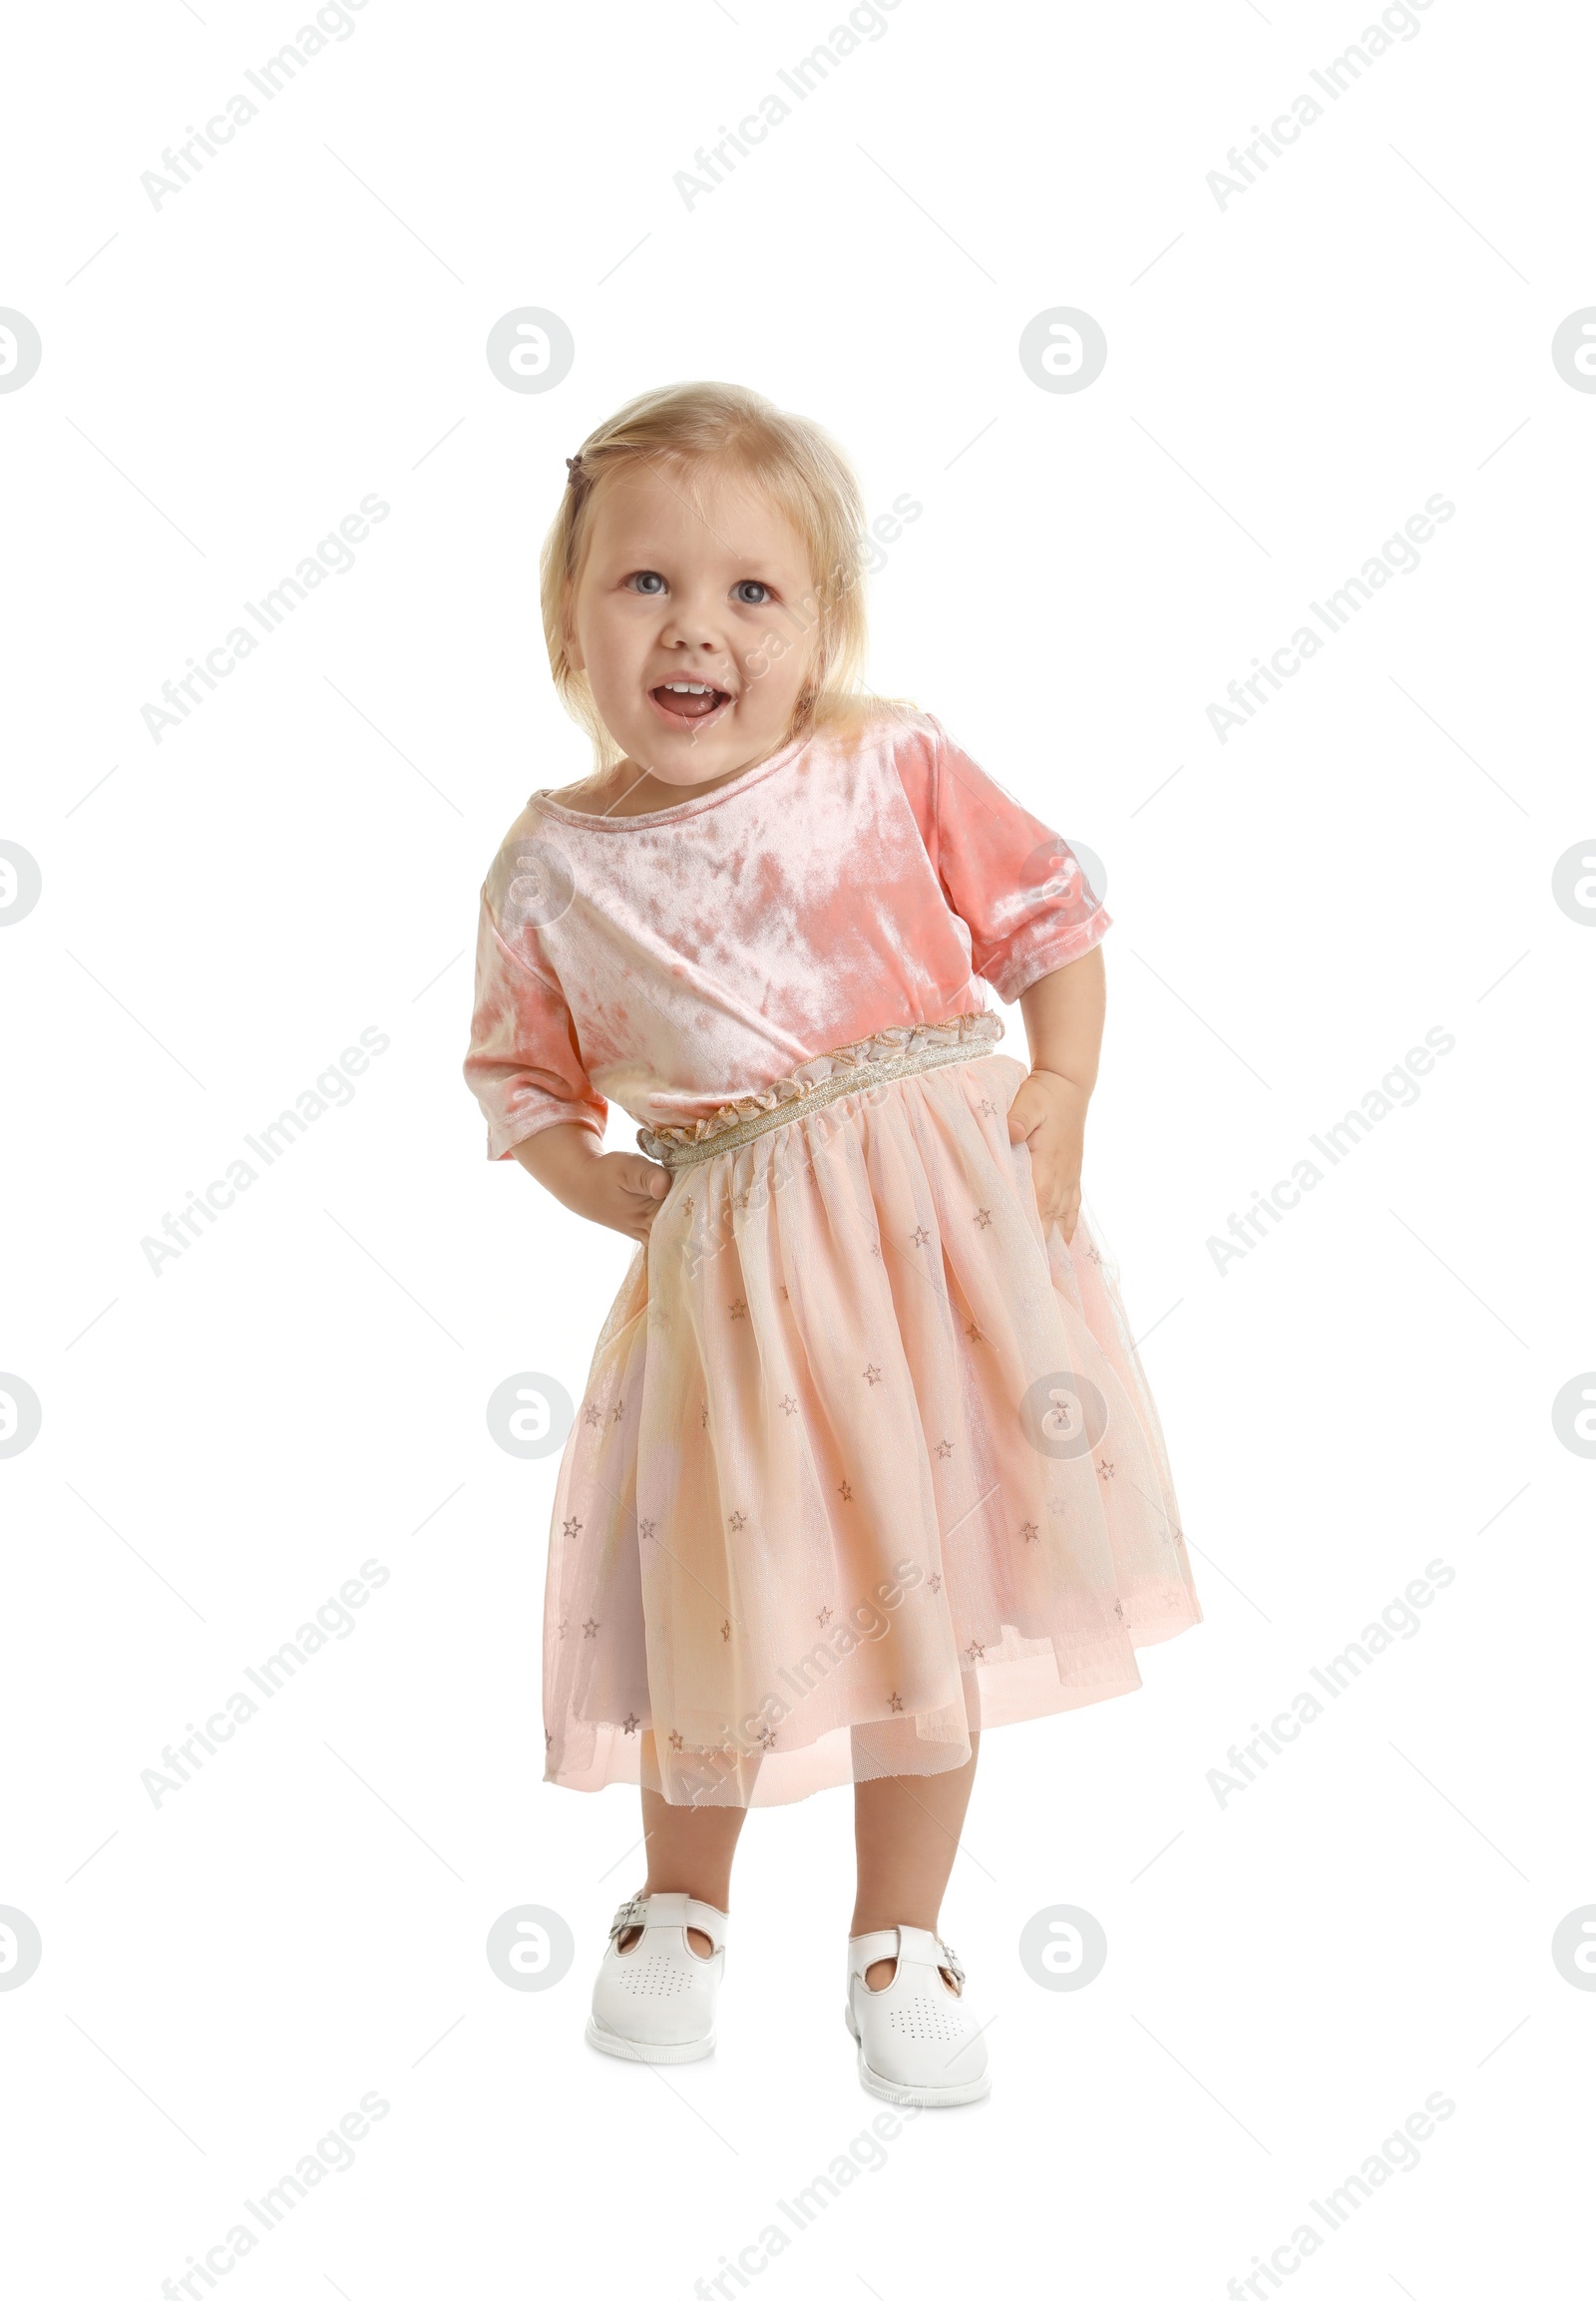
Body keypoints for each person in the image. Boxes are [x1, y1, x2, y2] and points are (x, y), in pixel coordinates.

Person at [463, 380, 1201, 2108]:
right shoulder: (552, 865)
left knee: (926, 1588)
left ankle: (904, 1934)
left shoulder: (889, 762)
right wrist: (598, 1183)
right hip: (736, 1288)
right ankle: (678, 1908)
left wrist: (1068, 1084)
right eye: (644, 584)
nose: (694, 627)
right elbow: (516, 1074)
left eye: (750, 592)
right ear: (570, 619)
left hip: (941, 1250)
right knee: (723, 1585)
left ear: (820, 628)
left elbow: (1049, 918)